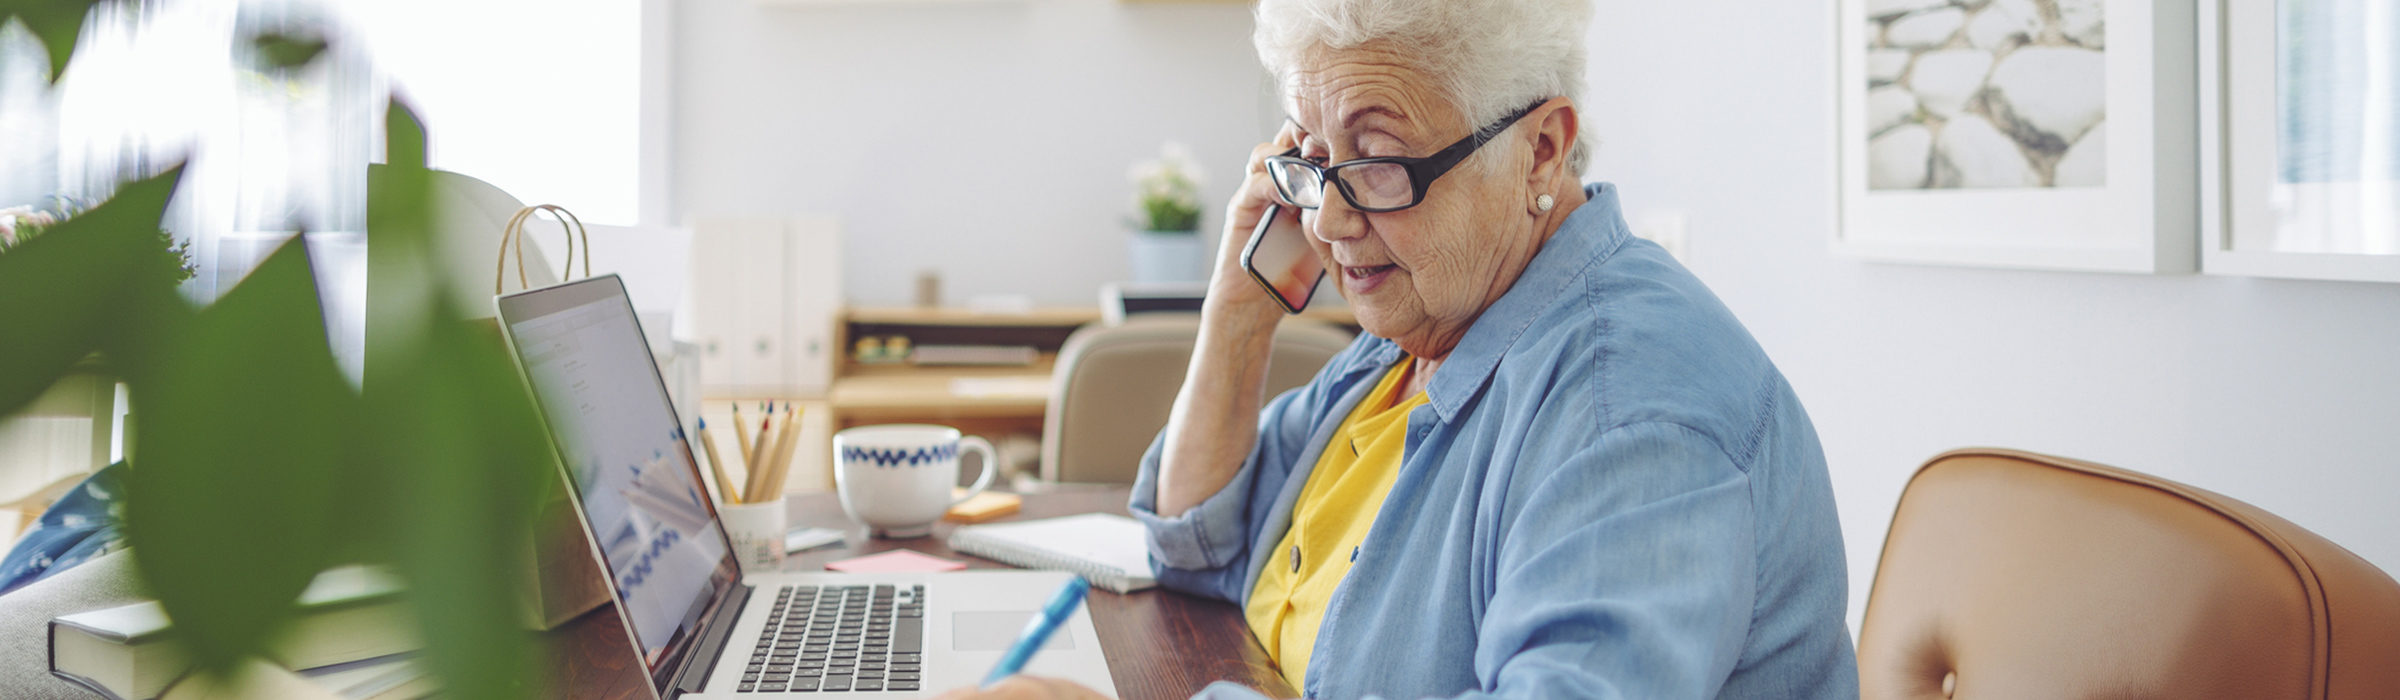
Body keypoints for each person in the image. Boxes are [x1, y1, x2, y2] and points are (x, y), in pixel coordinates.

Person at [941, 0, 1856, 697]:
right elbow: (1192, 541)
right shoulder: (1416, 341)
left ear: (1541, 151)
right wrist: (1238, 308)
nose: (1331, 218)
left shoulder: (1633, 412)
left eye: (1378, 160)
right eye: (1312, 158)